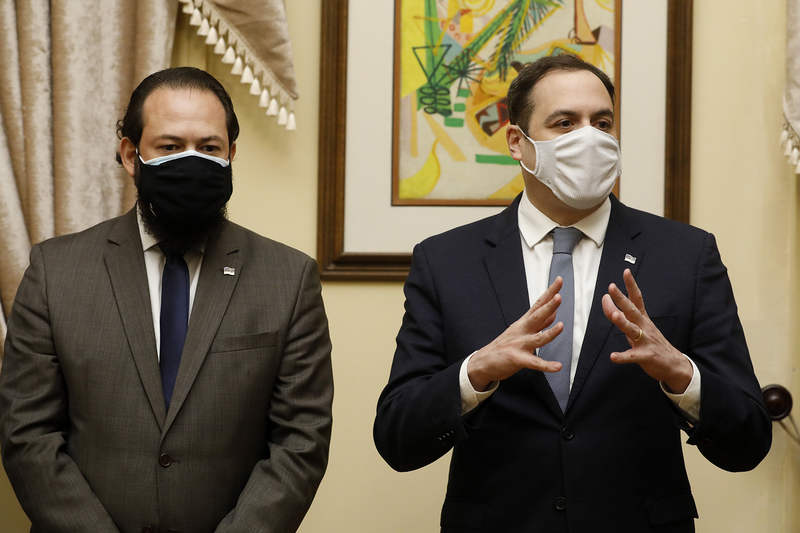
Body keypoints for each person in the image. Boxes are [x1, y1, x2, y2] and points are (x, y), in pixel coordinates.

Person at [373, 55, 771, 532]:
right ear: (517, 142)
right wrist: (475, 372)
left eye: (602, 123)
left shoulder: (685, 255)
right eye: (565, 123)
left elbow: (749, 441)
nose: (590, 138)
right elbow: (397, 439)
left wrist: (682, 375)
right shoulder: (446, 260)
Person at [0, 67, 333, 532]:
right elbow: (27, 433)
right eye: (170, 147)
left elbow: (300, 442)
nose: (190, 162)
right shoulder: (55, 272)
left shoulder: (289, 279)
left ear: (231, 155)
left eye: (209, 148)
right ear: (131, 155)